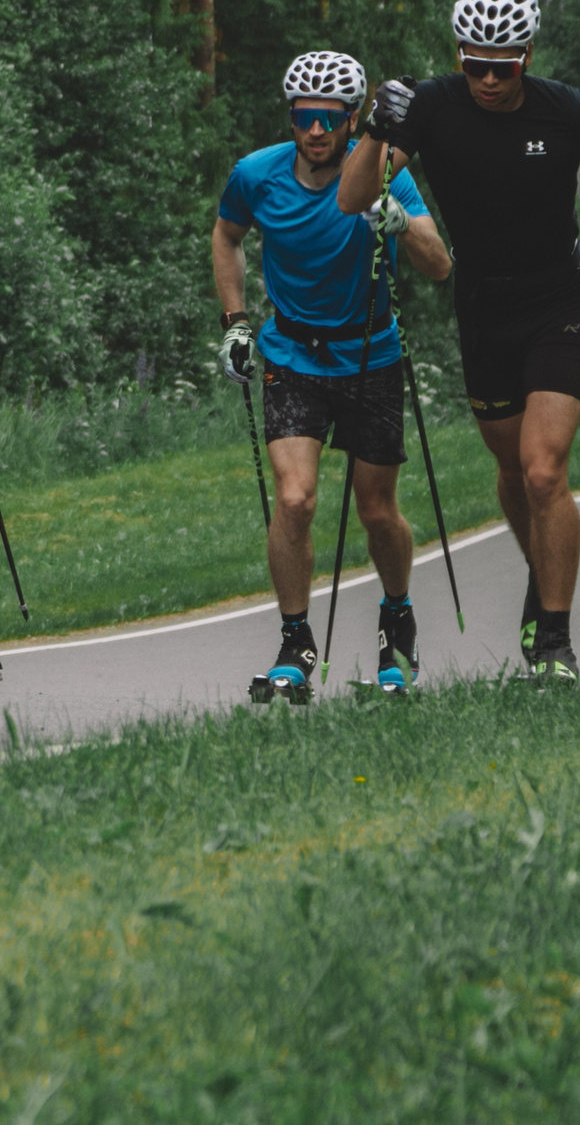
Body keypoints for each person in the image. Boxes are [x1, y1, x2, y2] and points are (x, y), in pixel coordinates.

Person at [339, 0, 580, 681]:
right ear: (459, 54)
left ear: (526, 55)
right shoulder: (429, 106)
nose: (487, 78)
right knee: (513, 472)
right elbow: (352, 197)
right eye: (474, 62)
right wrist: (376, 125)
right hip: (484, 304)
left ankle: (553, 641)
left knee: (545, 468)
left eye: (503, 64)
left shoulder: (568, 111)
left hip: (560, 300)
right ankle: (540, 578)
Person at [215, 50, 452, 700]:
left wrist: (402, 226)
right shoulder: (256, 175)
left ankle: (396, 617)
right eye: (303, 115)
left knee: (377, 511)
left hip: (370, 354)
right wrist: (236, 320)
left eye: (329, 117)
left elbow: (440, 264)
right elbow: (226, 234)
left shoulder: (382, 172)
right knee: (294, 499)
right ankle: (296, 640)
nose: (315, 129)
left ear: (353, 119)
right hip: (291, 355)